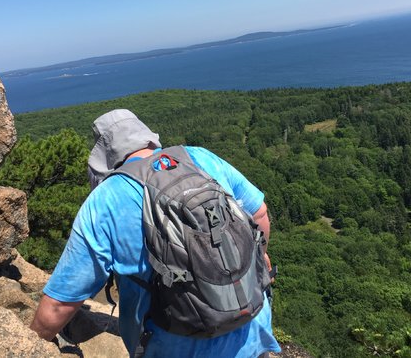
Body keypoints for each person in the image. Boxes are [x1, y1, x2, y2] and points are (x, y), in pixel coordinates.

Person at [30, 109, 281, 357]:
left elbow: (59, 305)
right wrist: (259, 257)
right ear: (149, 139)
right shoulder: (199, 157)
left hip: (177, 348)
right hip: (251, 330)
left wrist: (27, 344)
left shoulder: (106, 199)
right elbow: (260, 213)